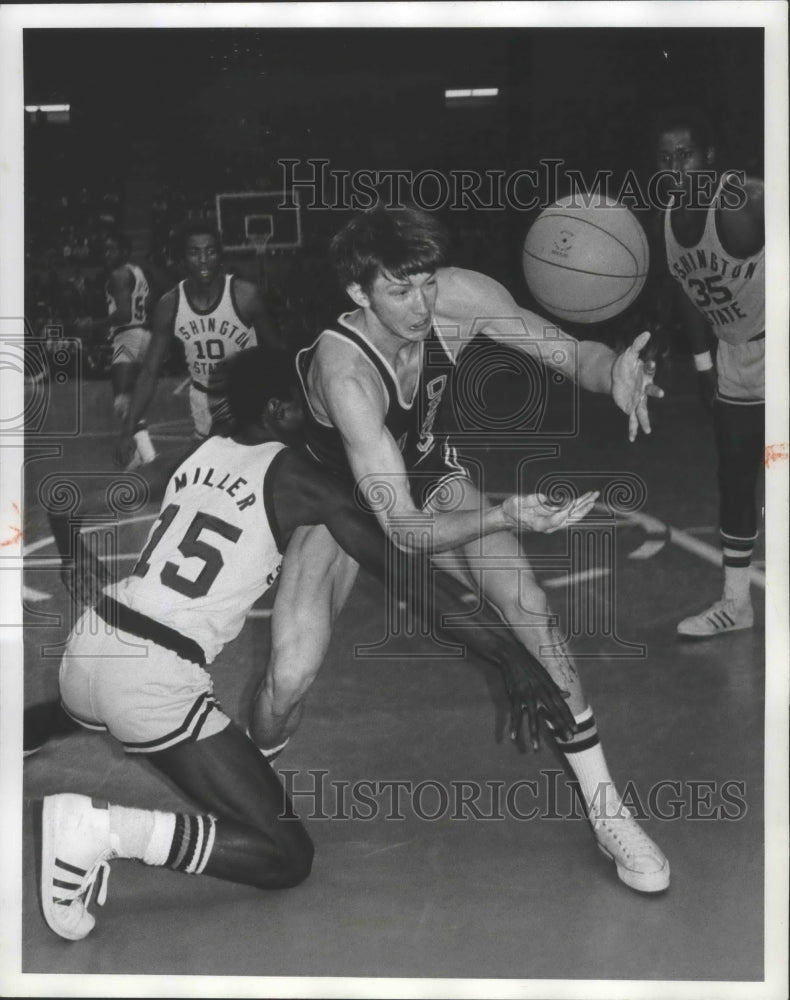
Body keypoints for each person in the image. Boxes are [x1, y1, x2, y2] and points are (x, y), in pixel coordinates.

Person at [35, 347, 589, 941]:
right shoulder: (299, 478)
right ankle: (103, 830)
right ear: (278, 409)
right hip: (150, 681)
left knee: (75, 714)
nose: (316, 417)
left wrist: (75, 562)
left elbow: (66, 501)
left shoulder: (196, 453)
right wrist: (508, 654)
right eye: (306, 406)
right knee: (285, 853)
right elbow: (411, 579)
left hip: (90, 645)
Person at [254, 205, 669, 894]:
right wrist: (505, 511)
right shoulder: (346, 374)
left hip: (422, 476)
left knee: (527, 601)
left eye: (425, 282)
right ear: (358, 293)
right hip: (331, 500)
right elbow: (405, 534)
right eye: (399, 290)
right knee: (290, 674)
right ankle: (251, 776)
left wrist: (611, 372)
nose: (421, 305)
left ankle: (608, 811)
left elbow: (566, 351)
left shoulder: (460, 296)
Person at [653, 107, 764, 638]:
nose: (677, 166)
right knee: (736, 477)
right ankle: (736, 605)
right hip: (735, 357)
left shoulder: (743, 199)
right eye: (667, 158)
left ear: (710, 157)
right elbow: (687, 289)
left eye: (686, 154)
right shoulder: (672, 217)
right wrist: (702, 364)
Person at [116, 219, 283, 461]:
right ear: (182, 259)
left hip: (249, 395)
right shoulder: (169, 305)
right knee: (209, 474)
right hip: (204, 398)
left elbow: (277, 353)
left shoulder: (246, 296)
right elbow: (149, 373)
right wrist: (127, 429)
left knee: (253, 468)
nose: (203, 259)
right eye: (194, 253)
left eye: (210, 251)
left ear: (220, 256)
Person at [74, 232, 157, 468]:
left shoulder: (117, 275)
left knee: (123, 403)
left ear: (124, 251)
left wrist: (93, 324)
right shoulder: (137, 271)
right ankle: (140, 457)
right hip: (144, 335)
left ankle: (149, 458)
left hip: (128, 336)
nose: (107, 254)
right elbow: (148, 305)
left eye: (112, 249)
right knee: (133, 399)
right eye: (105, 250)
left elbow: (123, 314)